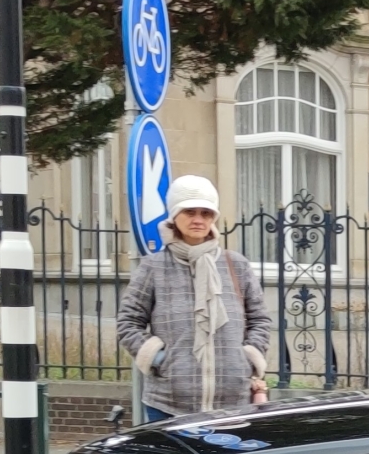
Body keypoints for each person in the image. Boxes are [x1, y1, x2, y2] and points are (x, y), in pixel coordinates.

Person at [115, 175, 273, 422]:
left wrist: (247, 357)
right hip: (168, 403)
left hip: (233, 403)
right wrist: (160, 359)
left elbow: (260, 319)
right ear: (174, 216)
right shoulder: (153, 266)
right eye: (190, 212)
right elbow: (128, 323)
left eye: (206, 213)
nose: (198, 220)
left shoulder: (236, 265)